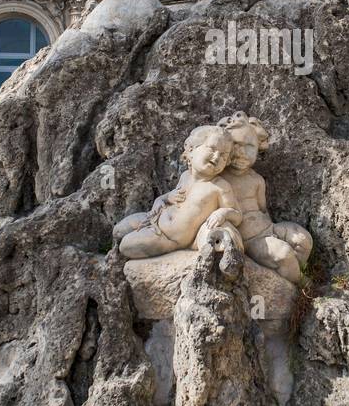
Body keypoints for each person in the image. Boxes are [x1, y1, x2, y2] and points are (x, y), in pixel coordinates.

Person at [113, 125, 242, 259]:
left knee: (126, 245)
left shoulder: (220, 187)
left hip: (169, 239)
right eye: (212, 149)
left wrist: (223, 213)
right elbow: (170, 199)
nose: (216, 157)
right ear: (191, 150)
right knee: (118, 230)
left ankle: (161, 247)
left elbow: (237, 215)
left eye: (223, 156)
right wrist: (165, 198)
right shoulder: (185, 176)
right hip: (154, 219)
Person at [218, 112, 312, 283]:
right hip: (249, 241)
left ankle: (288, 275)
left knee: (303, 239)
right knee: (283, 253)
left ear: (258, 147)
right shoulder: (219, 180)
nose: (242, 154)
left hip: (268, 228)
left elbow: (263, 210)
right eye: (235, 145)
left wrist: (273, 231)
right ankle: (298, 283)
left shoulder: (256, 180)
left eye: (249, 147)